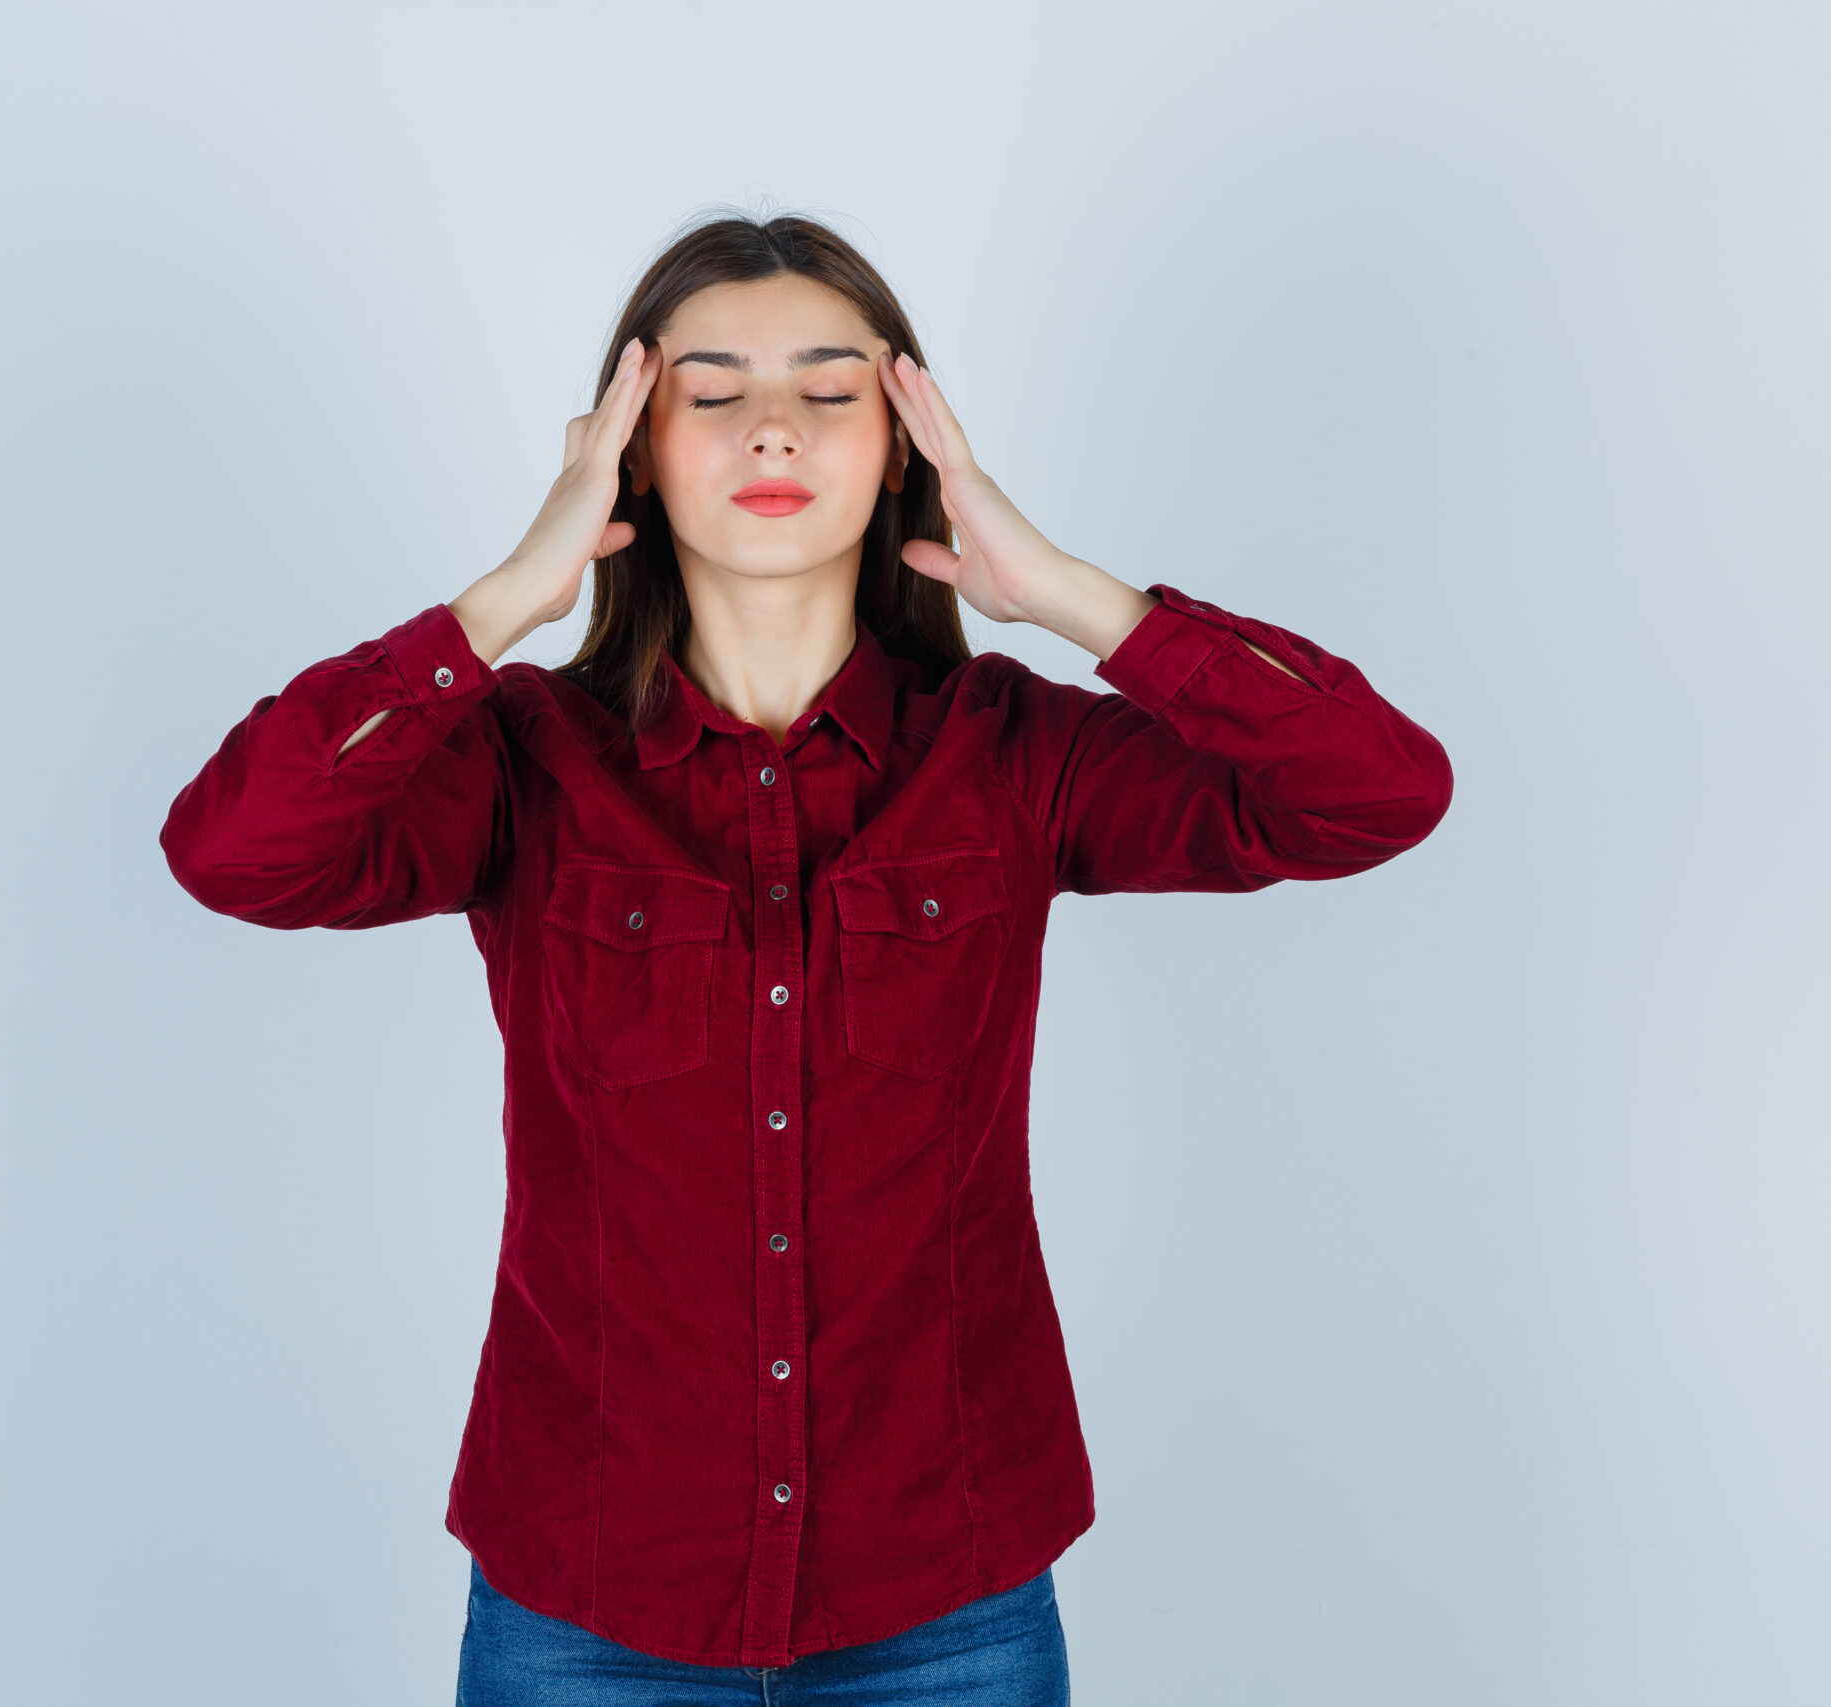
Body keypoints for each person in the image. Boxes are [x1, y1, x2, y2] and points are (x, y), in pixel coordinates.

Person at [157, 213, 1452, 1705]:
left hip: (946, 1598)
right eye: (711, 393)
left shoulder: (1012, 755)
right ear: (629, 453)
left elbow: (1376, 789)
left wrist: (1075, 595)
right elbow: (232, 850)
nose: (774, 425)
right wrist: (506, 595)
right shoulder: (525, 764)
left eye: (832, 390)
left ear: (904, 441)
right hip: (588, 1597)